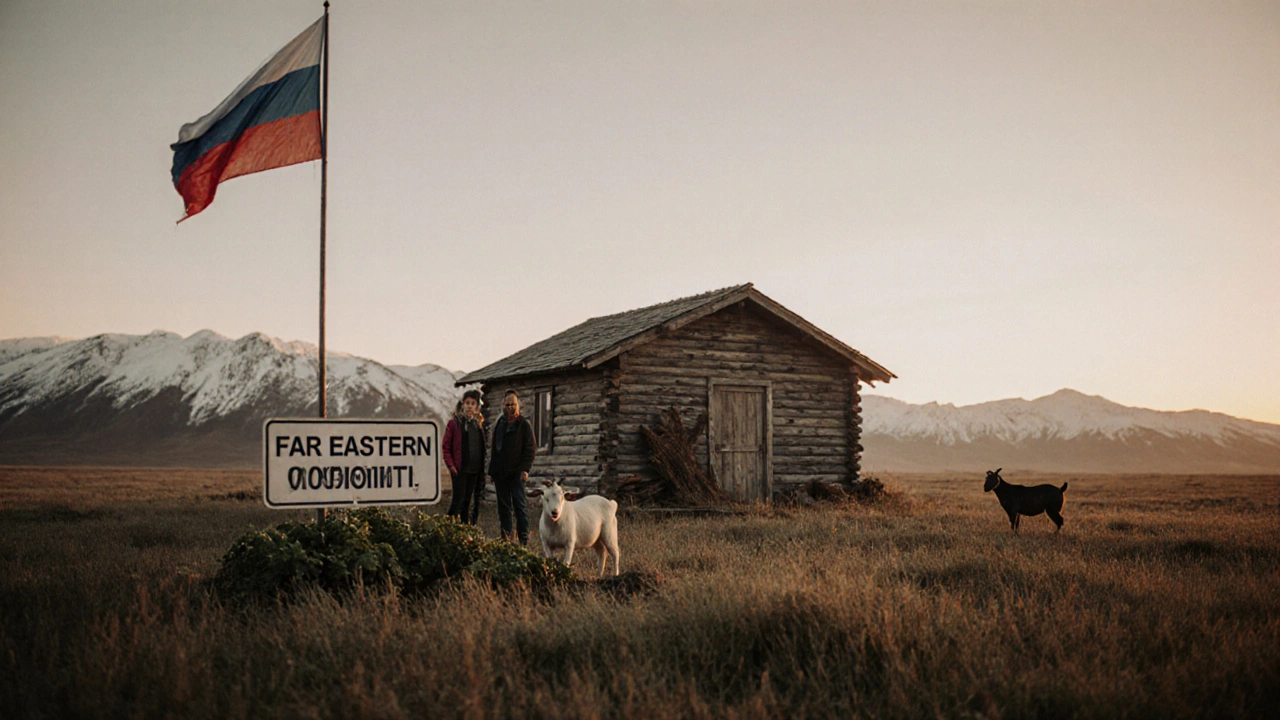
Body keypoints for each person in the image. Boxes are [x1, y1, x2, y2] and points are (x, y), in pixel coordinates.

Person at [488, 389, 536, 544]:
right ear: (504, 405)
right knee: (503, 508)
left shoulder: (524, 425)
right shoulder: (500, 424)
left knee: (519, 507)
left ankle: (523, 540)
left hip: (517, 473)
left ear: (518, 405)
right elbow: (495, 449)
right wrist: (493, 472)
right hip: (501, 473)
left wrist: (525, 469)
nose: (511, 408)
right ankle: (506, 539)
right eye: (508, 405)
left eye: (513, 404)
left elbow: (530, 449)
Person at [443, 390, 487, 524]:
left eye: (473, 403)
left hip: (474, 469)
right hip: (459, 468)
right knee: (458, 500)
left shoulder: (477, 425)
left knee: (467, 501)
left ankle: (463, 527)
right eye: (467, 403)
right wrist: (451, 465)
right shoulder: (454, 423)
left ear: (476, 407)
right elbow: (446, 447)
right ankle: (447, 525)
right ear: (462, 404)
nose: (469, 406)